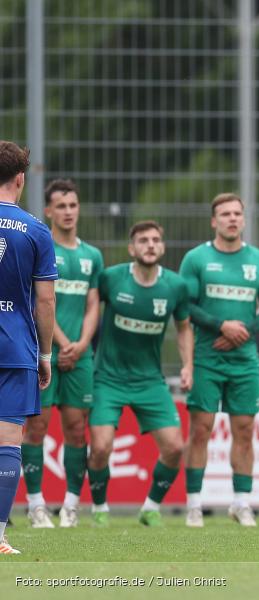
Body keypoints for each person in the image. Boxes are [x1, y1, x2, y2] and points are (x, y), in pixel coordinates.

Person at [179, 193, 259, 528]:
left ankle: (241, 502)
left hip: (244, 359)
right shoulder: (197, 259)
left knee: (245, 430)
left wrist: (244, 330)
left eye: (237, 213)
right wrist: (220, 325)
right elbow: (186, 306)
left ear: (244, 220)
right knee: (201, 429)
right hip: (207, 356)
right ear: (214, 221)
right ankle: (194, 503)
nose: (232, 219)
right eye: (225, 214)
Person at [87, 221, 193, 528]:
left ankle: (150, 507)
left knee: (175, 447)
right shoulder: (111, 279)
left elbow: (184, 328)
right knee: (101, 448)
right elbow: (90, 308)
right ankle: (99, 507)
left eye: (156, 240)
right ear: (132, 248)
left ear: (163, 247)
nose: (150, 244)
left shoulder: (176, 286)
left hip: (150, 380)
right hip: (108, 377)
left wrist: (188, 365)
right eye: (143, 240)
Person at [22, 179, 103, 529]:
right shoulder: (39, 247)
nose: (69, 212)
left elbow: (93, 303)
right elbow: (39, 301)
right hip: (46, 352)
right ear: (48, 211)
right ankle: (36, 504)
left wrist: (82, 343)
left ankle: (71, 504)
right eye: (62, 206)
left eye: (73, 205)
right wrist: (62, 342)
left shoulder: (92, 256)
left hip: (79, 356)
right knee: (36, 427)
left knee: (76, 429)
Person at [0, 141, 57, 555]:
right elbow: (46, 301)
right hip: (14, 347)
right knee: (8, 441)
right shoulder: (36, 230)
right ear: (22, 178)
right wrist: (46, 354)